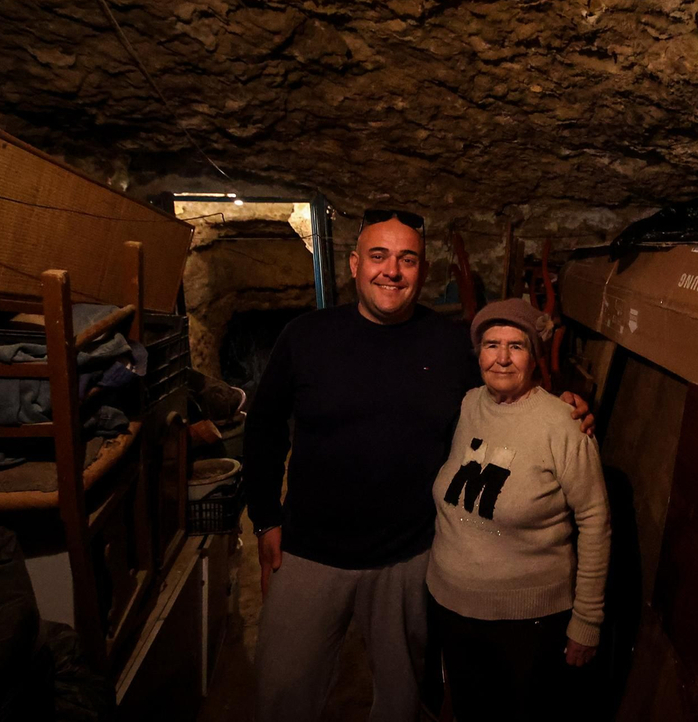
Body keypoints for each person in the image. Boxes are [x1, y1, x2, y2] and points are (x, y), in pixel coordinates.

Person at [247, 209, 591, 722]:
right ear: (355, 264)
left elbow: (507, 392)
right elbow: (264, 426)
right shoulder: (305, 336)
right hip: (310, 551)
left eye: (407, 259)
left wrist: (572, 402)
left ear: (422, 272)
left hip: (409, 558)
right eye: (379, 256)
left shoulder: (452, 345)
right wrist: (265, 518)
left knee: (401, 700)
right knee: (283, 691)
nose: (392, 271)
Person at [426, 298, 610, 722]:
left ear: (535, 356)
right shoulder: (469, 404)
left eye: (517, 346)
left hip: (526, 623)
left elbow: (596, 522)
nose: (502, 358)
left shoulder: (563, 424)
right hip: (452, 607)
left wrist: (587, 619)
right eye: (492, 345)